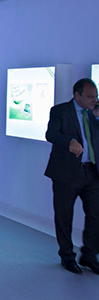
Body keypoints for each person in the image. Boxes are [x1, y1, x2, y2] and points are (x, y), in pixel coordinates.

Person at [45, 78, 99, 274]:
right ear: (77, 95)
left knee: (96, 214)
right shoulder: (60, 111)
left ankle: (89, 255)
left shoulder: (95, 112)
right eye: (90, 97)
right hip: (67, 172)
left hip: (91, 171)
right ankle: (67, 256)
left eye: (96, 96)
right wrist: (69, 141)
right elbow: (51, 134)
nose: (94, 100)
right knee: (64, 216)